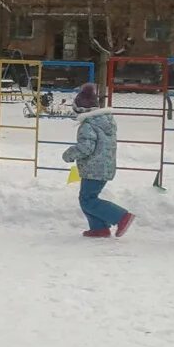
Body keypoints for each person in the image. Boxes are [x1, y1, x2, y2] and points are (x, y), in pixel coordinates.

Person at [62, 83, 134, 239]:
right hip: (104, 167)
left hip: (93, 169)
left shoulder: (87, 125)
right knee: (87, 198)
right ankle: (99, 228)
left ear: (80, 110)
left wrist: (69, 154)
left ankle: (121, 217)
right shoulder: (105, 121)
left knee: (88, 200)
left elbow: (86, 148)